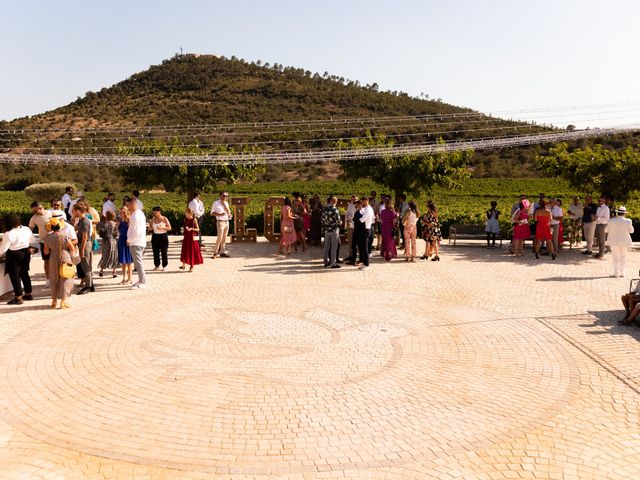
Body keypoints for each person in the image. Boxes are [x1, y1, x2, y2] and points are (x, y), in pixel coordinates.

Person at [43, 217, 76, 309]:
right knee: (65, 278)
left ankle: (54, 301)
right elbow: (72, 249)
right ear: (60, 227)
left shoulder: (47, 237)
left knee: (54, 279)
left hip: (53, 258)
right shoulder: (64, 236)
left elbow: (46, 252)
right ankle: (63, 301)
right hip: (65, 257)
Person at [0, 214, 33, 305]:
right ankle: (28, 293)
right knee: (24, 273)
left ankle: (18, 297)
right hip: (26, 253)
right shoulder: (26, 229)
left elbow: (3, 249)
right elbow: (32, 240)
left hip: (14, 255)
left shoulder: (9, 234)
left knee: (15, 276)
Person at [29, 201, 52, 287]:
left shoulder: (51, 213)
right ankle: (48, 279)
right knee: (46, 261)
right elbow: (29, 229)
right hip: (43, 242)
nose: (34, 212)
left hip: (55, 241)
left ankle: (58, 279)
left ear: (40, 207)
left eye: (35, 211)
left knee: (57, 260)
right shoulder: (34, 218)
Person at [605, 206, 634, 277]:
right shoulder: (628, 221)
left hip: (614, 241)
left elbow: (606, 230)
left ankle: (616, 273)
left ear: (617, 213)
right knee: (623, 257)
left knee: (615, 257)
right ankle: (622, 273)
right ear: (624, 213)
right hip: (624, 241)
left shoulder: (611, 221)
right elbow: (631, 231)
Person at [72, 203, 94, 294]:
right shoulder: (81, 220)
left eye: (74, 211)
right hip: (83, 244)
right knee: (85, 265)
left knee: (86, 266)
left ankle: (88, 286)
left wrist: (81, 250)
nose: (73, 212)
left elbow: (85, 237)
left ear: (78, 211)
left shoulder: (85, 221)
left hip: (84, 245)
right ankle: (91, 285)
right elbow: (75, 228)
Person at [127, 197, 147, 289]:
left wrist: (130, 240)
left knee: (138, 263)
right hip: (136, 242)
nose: (127, 207)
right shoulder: (137, 214)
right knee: (137, 263)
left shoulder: (136, 215)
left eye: (128, 205)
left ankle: (142, 282)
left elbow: (137, 231)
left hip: (136, 242)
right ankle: (140, 280)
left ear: (133, 204)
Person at [320, 196, 342, 268]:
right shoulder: (335, 210)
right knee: (333, 247)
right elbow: (338, 221)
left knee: (326, 247)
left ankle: (325, 262)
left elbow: (322, 220)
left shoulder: (324, 209)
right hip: (334, 230)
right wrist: (340, 223)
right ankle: (333, 263)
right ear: (335, 201)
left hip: (327, 230)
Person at [97, 211, 119, 278]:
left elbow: (98, 229)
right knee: (114, 256)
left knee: (105, 255)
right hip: (112, 241)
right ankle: (114, 273)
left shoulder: (103, 224)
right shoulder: (114, 224)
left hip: (105, 241)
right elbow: (116, 234)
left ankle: (101, 271)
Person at [149, 206, 171, 271]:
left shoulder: (164, 219)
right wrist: (150, 227)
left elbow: (169, 228)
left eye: (155, 212)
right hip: (155, 236)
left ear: (159, 212)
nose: (154, 214)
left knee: (164, 251)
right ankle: (157, 265)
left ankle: (164, 266)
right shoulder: (153, 219)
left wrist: (162, 228)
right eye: (153, 212)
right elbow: (150, 228)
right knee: (155, 252)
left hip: (163, 236)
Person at [210, 191, 232, 258]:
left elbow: (228, 212)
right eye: (223, 195)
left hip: (226, 222)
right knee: (219, 238)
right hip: (220, 222)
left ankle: (222, 252)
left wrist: (230, 215)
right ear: (220, 196)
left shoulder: (226, 203)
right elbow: (212, 213)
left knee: (224, 238)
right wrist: (219, 214)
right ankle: (215, 253)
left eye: (226, 196)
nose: (225, 197)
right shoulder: (215, 203)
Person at [355, 196, 375, 269]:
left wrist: (358, 213)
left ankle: (366, 264)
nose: (362, 203)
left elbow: (362, 219)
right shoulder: (365, 209)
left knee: (365, 248)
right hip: (363, 230)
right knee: (362, 248)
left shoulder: (368, 209)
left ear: (366, 201)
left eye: (363, 201)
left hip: (366, 230)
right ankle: (363, 263)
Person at [117, 207, 133, 285]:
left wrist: (129, 240)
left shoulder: (129, 220)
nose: (121, 214)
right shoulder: (120, 221)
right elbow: (118, 231)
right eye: (120, 212)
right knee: (123, 262)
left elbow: (131, 231)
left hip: (127, 240)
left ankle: (129, 278)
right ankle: (123, 278)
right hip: (121, 240)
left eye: (122, 212)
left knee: (129, 261)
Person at [344, 195, 358, 261]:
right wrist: (347, 220)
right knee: (350, 241)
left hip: (357, 226)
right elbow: (347, 214)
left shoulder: (359, 206)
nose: (354, 200)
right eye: (353, 199)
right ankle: (350, 255)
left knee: (356, 242)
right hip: (350, 225)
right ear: (351, 199)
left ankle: (356, 256)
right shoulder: (349, 206)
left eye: (355, 199)